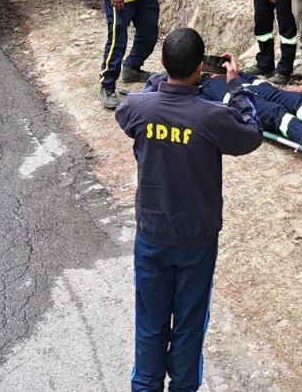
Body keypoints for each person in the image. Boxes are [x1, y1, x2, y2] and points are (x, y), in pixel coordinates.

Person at [116, 28, 262, 392]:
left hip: (151, 236)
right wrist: (236, 86)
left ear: (162, 63)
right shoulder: (211, 116)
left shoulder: (139, 107)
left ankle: (145, 385)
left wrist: (161, 80)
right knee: (189, 325)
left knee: (149, 323)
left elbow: (130, 107)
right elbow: (251, 132)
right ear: (201, 68)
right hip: (197, 239)